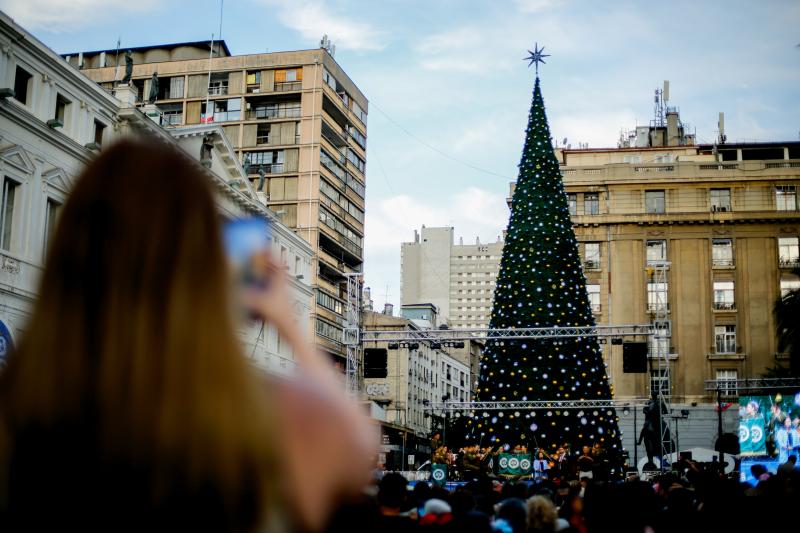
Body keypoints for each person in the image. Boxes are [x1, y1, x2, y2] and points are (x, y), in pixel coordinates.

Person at [0, 139, 375, 531]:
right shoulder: (251, 424)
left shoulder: (18, 410)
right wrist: (283, 319)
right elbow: (355, 449)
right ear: (203, 266)